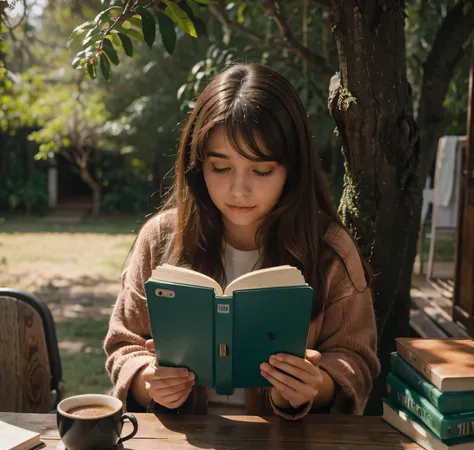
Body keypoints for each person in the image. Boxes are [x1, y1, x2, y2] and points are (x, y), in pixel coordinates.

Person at [104, 63, 380, 420]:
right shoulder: (160, 239)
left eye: (261, 170)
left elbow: (355, 359)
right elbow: (124, 344)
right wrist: (149, 380)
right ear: (197, 164)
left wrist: (313, 385)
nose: (239, 190)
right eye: (220, 168)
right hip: (183, 449)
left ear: (292, 169)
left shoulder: (330, 251)